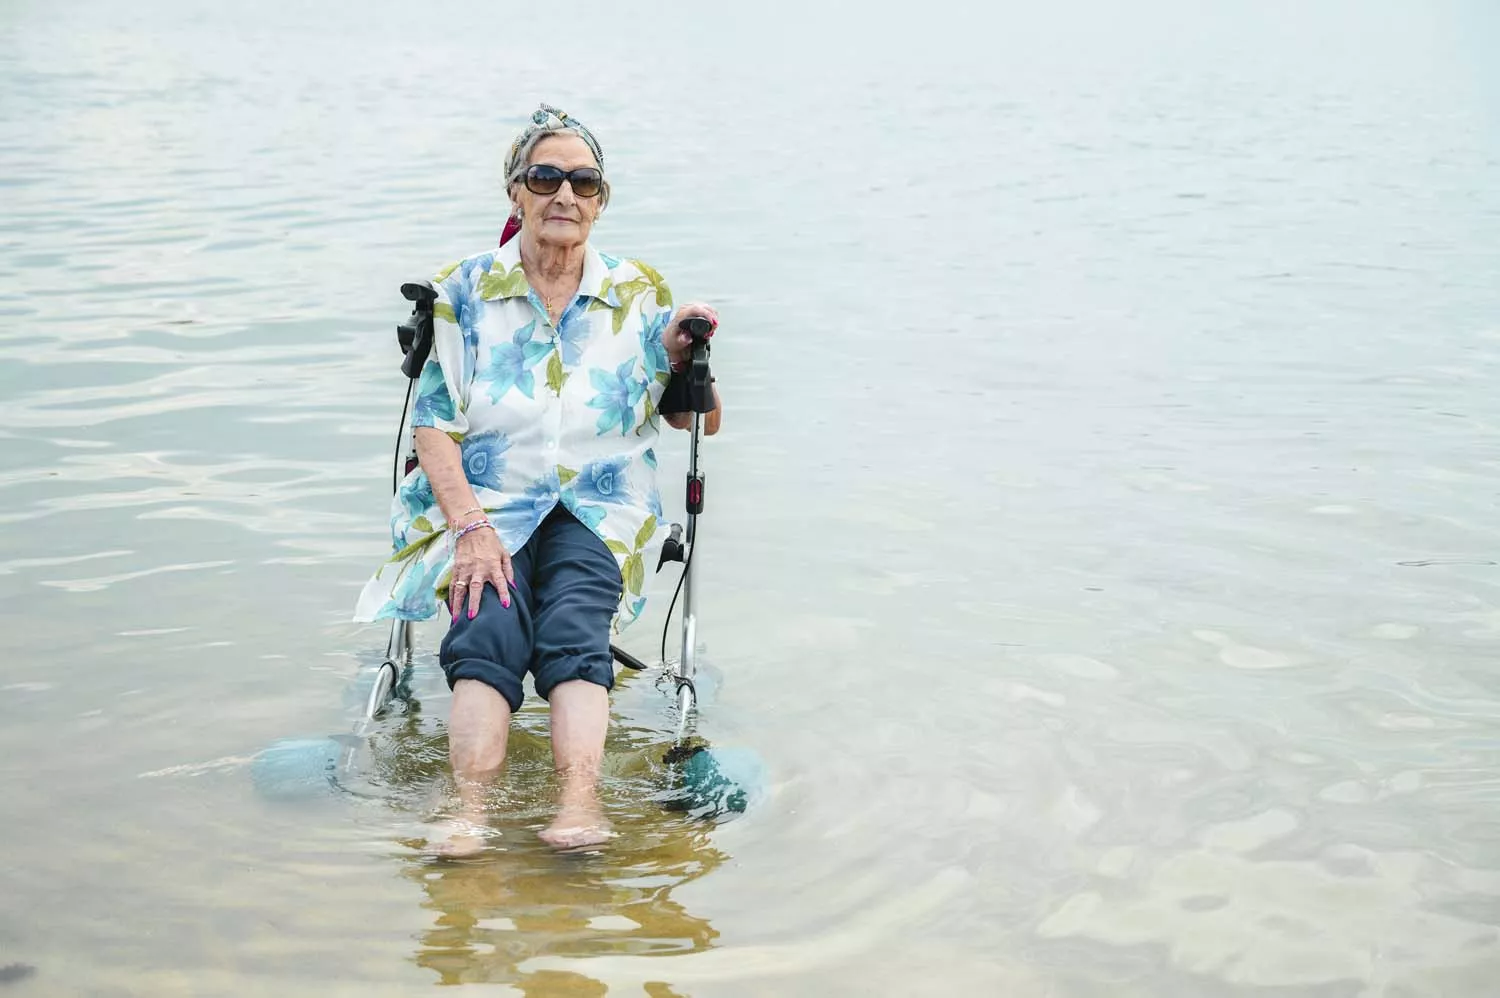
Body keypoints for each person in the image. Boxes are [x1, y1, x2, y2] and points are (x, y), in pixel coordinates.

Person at [354, 104, 723, 854]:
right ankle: (469, 809)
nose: (565, 195)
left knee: (573, 629)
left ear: (601, 199)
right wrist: (470, 528)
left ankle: (580, 804)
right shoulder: (465, 290)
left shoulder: (639, 291)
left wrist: (688, 362)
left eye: (583, 181)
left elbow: (694, 424)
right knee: (486, 619)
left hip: (599, 501)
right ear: (515, 193)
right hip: (484, 502)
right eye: (545, 177)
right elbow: (432, 425)